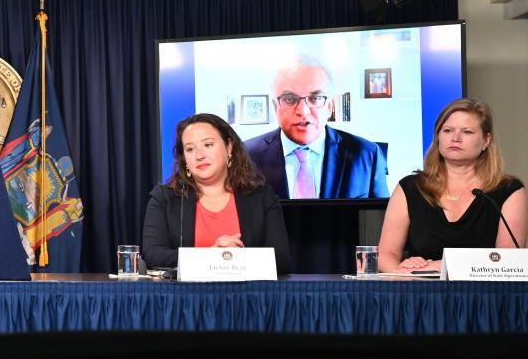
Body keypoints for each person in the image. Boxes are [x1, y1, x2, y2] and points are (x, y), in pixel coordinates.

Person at [377, 99, 526, 272]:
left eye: (467, 132)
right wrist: (404, 273)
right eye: (447, 130)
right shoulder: (410, 188)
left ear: (486, 141)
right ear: (438, 137)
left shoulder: (509, 191)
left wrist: (442, 266)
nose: (455, 138)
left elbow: (507, 261)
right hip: (420, 291)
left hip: (484, 296)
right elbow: (386, 254)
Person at [142, 113, 291, 273]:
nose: (199, 155)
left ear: (229, 147)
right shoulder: (165, 198)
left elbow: (281, 259)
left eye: (208, 145)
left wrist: (236, 258)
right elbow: (153, 255)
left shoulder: (261, 196)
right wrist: (209, 257)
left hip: (247, 295)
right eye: (190, 149)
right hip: (186, 296)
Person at [244, 57, 388, 199]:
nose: (303, 111)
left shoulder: (366, 154)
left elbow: (380, 219)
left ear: (330, 106)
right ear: (275, 107)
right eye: (289, 99)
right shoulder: (246, 155)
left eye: (315, 98)